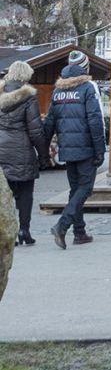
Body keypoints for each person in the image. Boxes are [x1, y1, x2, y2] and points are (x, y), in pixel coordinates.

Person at [43, 63, 106, 249]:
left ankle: (79, 233)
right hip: (86, 148)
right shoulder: (86, 89)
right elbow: (94, 120)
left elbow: (49, 123)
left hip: (68, 150)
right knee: (84, 189)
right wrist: (100, 149)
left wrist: (44, 149)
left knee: (75, 189)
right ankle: (62, 226)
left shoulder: (57, 92)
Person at [0, 61, 48, 246]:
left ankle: (7, 233)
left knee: (4, 195)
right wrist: (44, 156)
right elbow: (36, 131)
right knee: (26, 195)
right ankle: (24, 230)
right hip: (22, 153)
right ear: (26, 75)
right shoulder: (28, 97)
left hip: (1, 153)